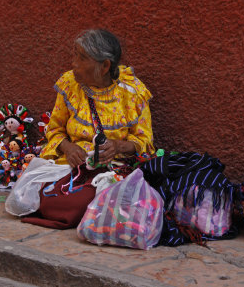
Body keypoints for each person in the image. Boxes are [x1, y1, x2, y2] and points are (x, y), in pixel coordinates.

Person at [21, 29, 155, 229]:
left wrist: (118, 146)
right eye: (74, 55)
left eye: (82, 58)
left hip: (110, 169)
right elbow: (54, 129)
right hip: (71, 165)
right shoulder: (69, 84)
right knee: (30, 191)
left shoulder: (132, 93)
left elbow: (145, 141)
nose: (74, 63)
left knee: (76, 202)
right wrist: (68, 148)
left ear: (105, 66)